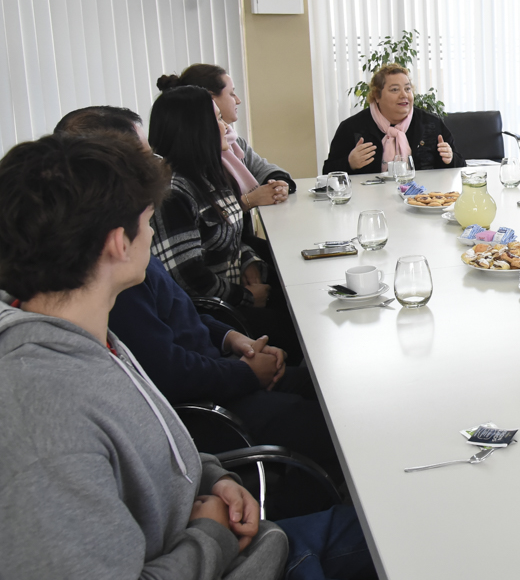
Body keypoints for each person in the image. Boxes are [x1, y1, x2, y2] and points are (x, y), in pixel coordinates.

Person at [0, 133, 398, 580]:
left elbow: (153, 449)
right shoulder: (41, 413)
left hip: (244, 558)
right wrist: (210, 535)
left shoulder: (90, 339)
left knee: (418, 529)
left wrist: (214, 476)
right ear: (117, 243)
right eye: (148, 220)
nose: (153, 232)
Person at [54, 104, 339, 479]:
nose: (157, 162)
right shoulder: (113, 276)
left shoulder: (131, 244)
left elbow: (180, 309)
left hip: (222, 369)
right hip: (215, 406)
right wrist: (245, 372)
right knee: (339, 423)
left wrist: (232, 338)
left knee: (334, 386)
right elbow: (168, 371)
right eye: (145, 155)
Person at [147, 86, 302, 363]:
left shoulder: (209, 174)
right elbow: (187, 276)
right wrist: (246, 297)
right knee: (297, 330)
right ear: (196, 129)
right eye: (218, 119)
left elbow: (230, 235)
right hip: (215, 312)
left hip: (234, 289)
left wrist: (248, 262)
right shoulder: (173, 192)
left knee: (302, 297)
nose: (226, 126)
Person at [157, 64, 293, 208]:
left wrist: (278, 186)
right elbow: (206, 214)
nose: (238, 100)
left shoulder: (234, 141)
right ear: (211, 99)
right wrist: (248, 201)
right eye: (232, 94)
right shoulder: (193, 156)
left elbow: (264, 170)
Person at [322, 63, 465, 174]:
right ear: (377, 96)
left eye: (407, 89)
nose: (404, 95)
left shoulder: (431, 124)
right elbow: (327, 172)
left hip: (422, 197)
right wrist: (349, 164)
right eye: (395, 90)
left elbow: (461, 166)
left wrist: (450, 159)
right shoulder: (352, 128)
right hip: (369, 201)